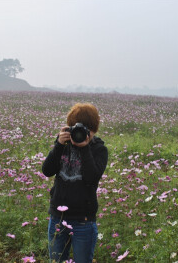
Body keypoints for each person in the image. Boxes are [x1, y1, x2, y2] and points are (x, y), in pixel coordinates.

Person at [42, 103, 108, 263]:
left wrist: (85, 148)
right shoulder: (63, 145)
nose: (82, 134)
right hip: (58, 217)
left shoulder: (99, 149)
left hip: (83, 221)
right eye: (76, 129)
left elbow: (92, 178)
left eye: (87, 130)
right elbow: (47, 171)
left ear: (94, 129)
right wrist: (58, 145)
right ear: (70, 128)